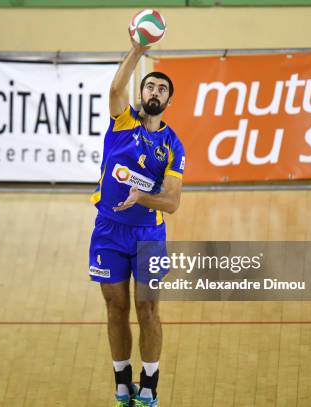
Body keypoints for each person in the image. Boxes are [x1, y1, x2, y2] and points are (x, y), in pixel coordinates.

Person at [88, 36, 185, 407]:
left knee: (147, 309)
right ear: (142, 93)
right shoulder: (124, 121)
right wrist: (138, 50)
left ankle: (150, 383)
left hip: (148, 234)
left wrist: (142, 197)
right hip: (108, 231)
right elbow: (115, 87)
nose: (154, 90)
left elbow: (173, 202)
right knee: (115, 307)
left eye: (162, 88)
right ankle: (121, 381)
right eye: (149, 85)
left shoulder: (174, 146)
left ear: (168, 101)